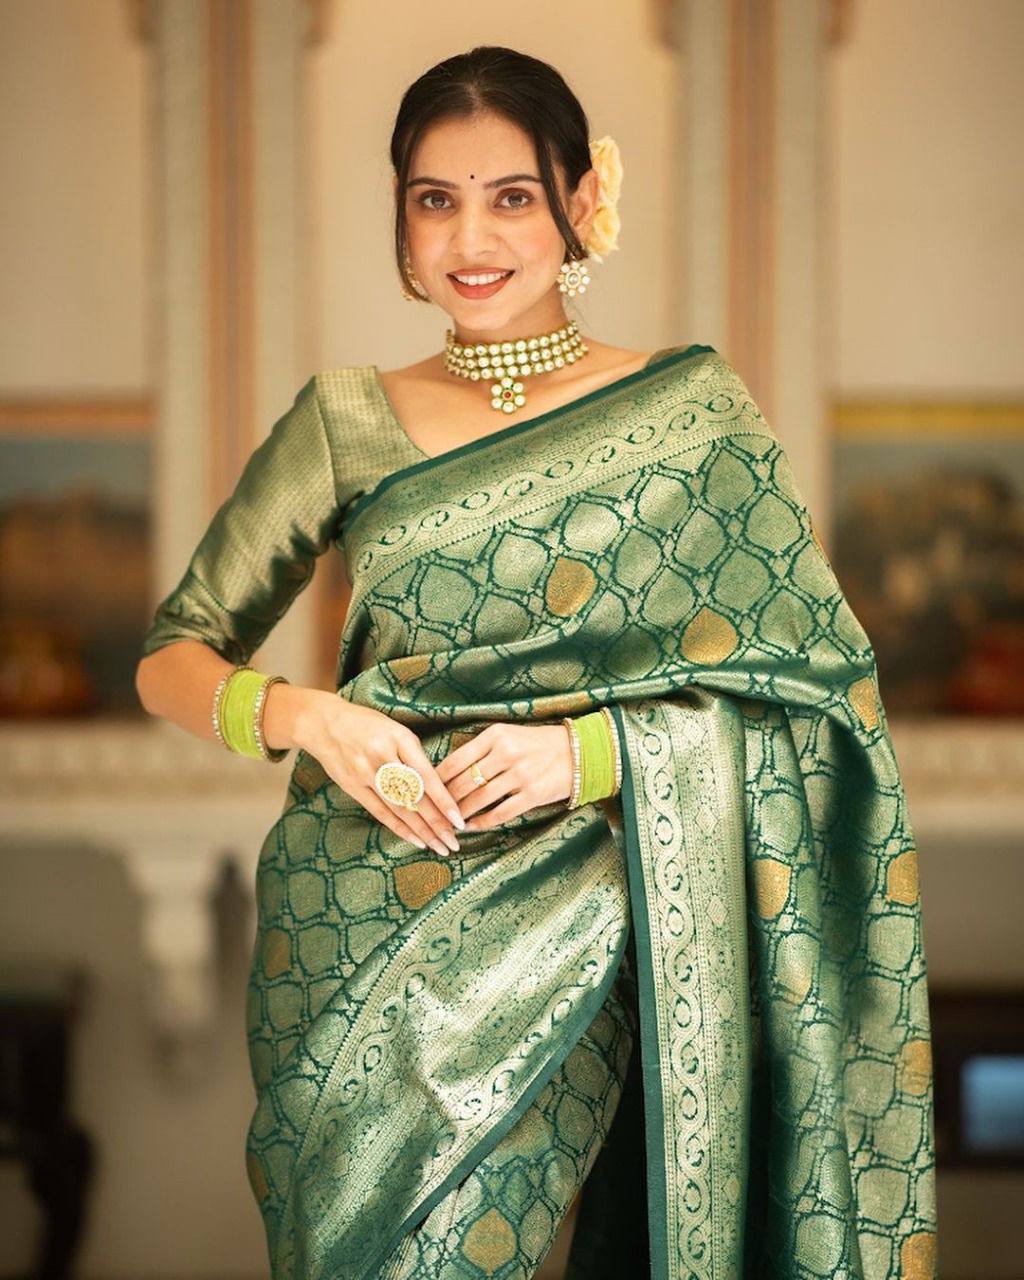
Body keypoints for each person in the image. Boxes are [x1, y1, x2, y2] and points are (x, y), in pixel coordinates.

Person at [136, 44, 937, 1280]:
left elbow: (821, 700)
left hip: (597, 898)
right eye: (434, 199)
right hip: (358, 916)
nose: (471, 237)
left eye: (511, 195)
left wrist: (594, 753)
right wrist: (312, 717)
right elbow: (173, 655)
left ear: (579, 201)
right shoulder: (342, 419)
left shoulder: (692, 416)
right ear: (401, 219)